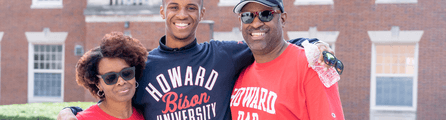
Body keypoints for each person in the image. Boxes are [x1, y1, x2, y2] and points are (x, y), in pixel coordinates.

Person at [58, 0, 339, 119]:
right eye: (175, 6)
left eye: (192, 7)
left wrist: (312, 44)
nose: (183, 14)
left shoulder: (224, 55)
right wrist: (72, 112)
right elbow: (115, 99)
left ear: (202, 13)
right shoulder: (145, 67)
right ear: (162, 11)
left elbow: (267, 43)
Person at [229, 0, 344, 119]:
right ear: (240, 22)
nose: (256, 23)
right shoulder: (238, 69)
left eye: (266, 15)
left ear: (282, 19)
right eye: (247, 16)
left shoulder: (313, 65)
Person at [73, 32, 147, 120]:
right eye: (111, 78)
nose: (121, 81)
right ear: (98, 84)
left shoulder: (145, 114)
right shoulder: (83, 119)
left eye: (127, 73)